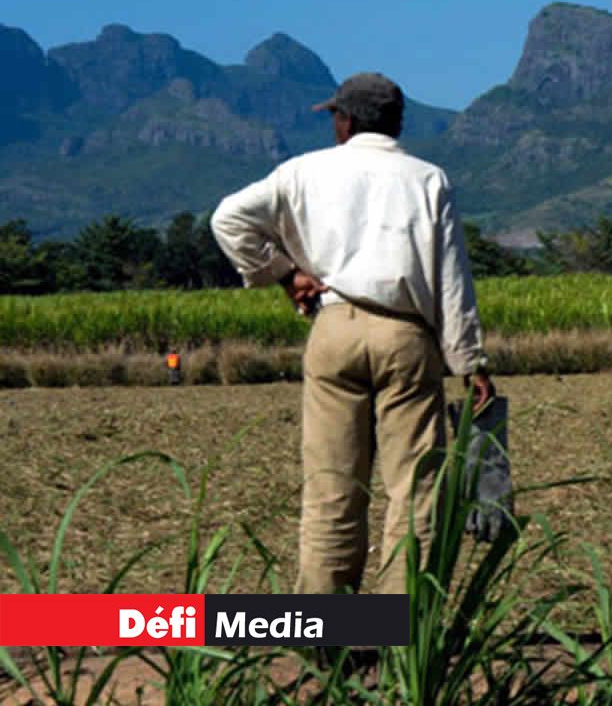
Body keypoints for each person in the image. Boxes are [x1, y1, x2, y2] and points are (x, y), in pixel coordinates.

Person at [210, 72, 494, 595]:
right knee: (414, 491)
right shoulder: (427, 179)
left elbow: (227, 219)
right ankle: (397, 631)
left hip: (333, 329)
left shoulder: (301, 173)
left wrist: (283, 273)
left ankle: (324, 632)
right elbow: (452, 279)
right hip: (406, 336)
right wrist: (469, 360)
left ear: (344, 121)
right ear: (396, 122)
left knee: (331, 492)